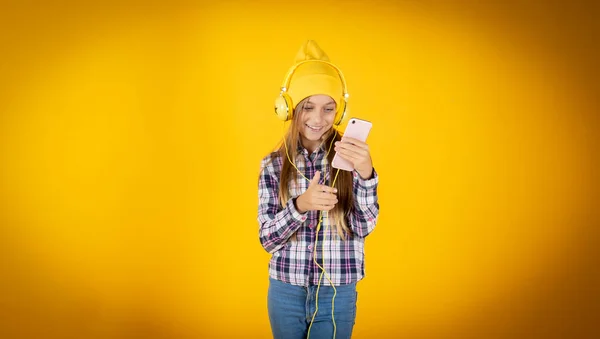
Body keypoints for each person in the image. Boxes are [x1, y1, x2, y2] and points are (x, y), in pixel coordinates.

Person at [257, 40, 380, 339]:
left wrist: (366, 175)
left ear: (340, 111)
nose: (317, 118)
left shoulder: (352, 158)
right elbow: (267, 239)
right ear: (288, 109)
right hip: (286, 290)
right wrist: (301, 204)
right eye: (307, 107)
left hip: (337, 292)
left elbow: (363, 227)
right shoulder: (273, 165)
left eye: (329, 108)